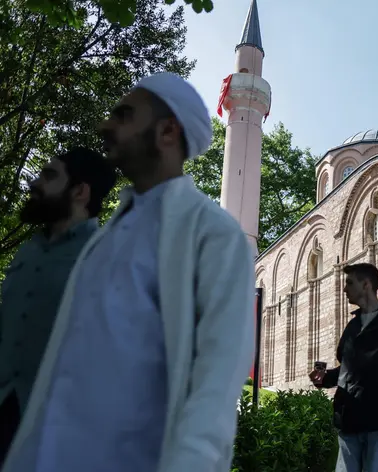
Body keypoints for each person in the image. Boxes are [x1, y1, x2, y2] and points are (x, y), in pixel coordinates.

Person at [1, 73, 256, 472]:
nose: (106, 125)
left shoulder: (214, 233)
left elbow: (216, 385)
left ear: (167, 131)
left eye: (124, 115)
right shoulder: (104, 240)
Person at [0, 148, 116, 465]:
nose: (35, 183)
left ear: (80, 192)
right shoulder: (28, 252)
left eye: (49, 176)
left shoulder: (108, 259)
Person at [309, 263, 378, 472]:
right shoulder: (352, 326)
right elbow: (348, 370)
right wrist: (324, 379)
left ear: (366, 284)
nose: (344, 289)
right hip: (349, 419)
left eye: (350, 283)